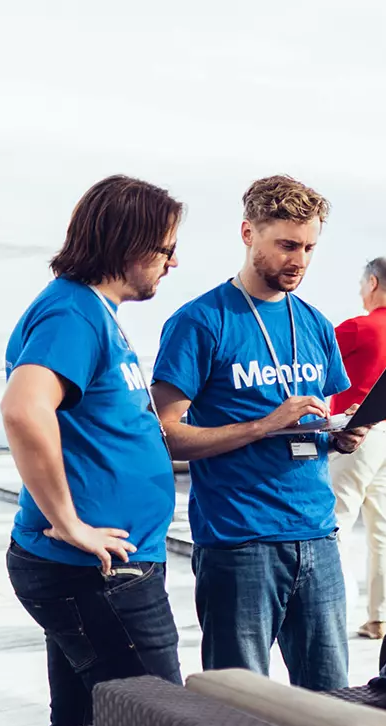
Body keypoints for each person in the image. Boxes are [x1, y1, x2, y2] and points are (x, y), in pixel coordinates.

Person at [2, 175, 185, 726]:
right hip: (97, 576)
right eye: (166, 251)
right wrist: (71, 518)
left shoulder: (91, 313)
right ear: (129, 244)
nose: (172, 264)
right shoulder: (74, 313)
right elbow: (23, 409)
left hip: (91, 571)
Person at [151, 175, 368, 691]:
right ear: (248, 233)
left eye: (310, 247)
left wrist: (340, 433)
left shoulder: (315, 323)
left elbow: (316, 420)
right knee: (240, 709)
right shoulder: (200, 322)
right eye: (287, 245)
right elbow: (165, 435)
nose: (300, 260)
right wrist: (264, 425)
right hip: (238, 542)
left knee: (331, 703)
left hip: (317, 535)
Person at [329, 257, 386, 640]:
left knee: (336, 525)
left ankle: (332, 614)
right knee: (382, 528)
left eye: (362, 284)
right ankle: (380, 616)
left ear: (373, 282)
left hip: (358, 436)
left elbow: (313, 363)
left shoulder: (358, 327)